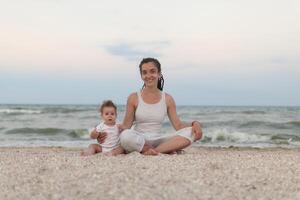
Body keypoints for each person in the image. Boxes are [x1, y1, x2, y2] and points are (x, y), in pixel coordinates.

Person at [98, 58, 203, 155]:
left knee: (190, 133)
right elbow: (126, 126)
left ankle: (154, 151)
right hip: (139, 139)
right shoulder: (134, 97)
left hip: (158, 140)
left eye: (152, 71)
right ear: (141, 76)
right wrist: (105, 132)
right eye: (144, 72)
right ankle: (161, 150)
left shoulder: (167, 99)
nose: (149, 76)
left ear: (159, 73)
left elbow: (178, 125)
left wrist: (195, 124)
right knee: (125, 136)